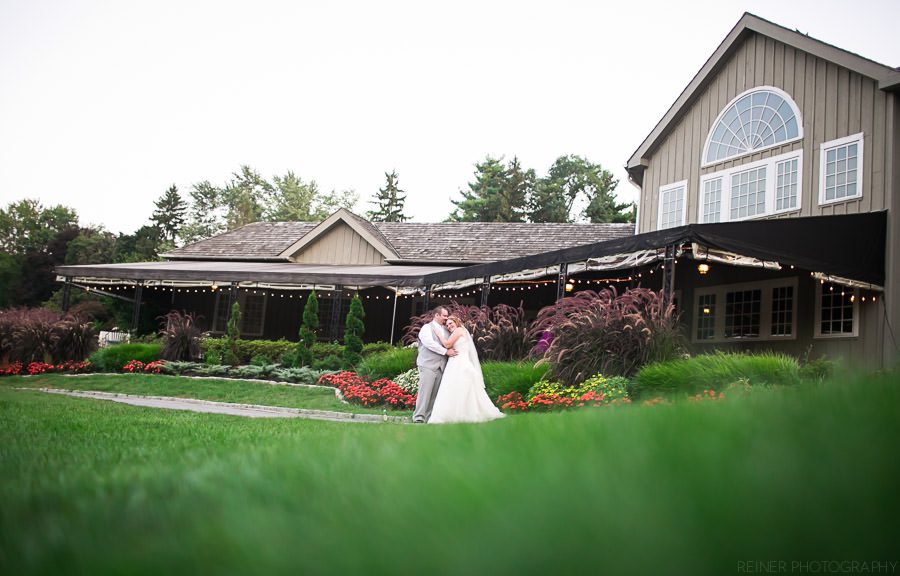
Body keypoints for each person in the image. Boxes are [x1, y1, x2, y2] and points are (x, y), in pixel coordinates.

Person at [427, 315, 505, 424]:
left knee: (463, 389)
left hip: (461, 364)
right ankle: (454, 414)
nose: (449, 326)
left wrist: (439, 335)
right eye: (447, 325)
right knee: (455, 389)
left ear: (456, 322)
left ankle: (465, 414)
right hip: (454, 363)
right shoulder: (456, 332)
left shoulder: (459, 330)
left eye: (451, 323)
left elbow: (447, 344)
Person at [412, 306, 458, 423]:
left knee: (434, 395)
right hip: (427, 365)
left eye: (447, 316)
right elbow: (429, 343)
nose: (446, 318)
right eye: (444, 316)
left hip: (441, 367)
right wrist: (445, 352)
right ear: (436, 315)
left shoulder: (447, 329)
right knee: (425, 393)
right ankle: (418, 417)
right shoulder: (426, 328)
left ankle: (429, 418)